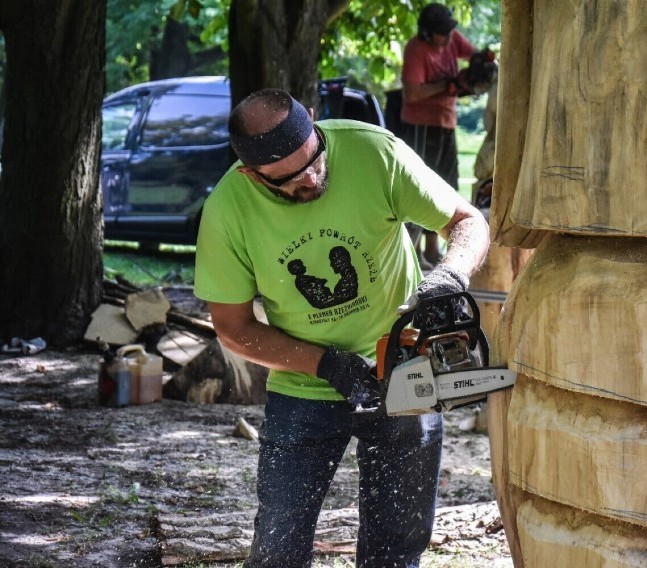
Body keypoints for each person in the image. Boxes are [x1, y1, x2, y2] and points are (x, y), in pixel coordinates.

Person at [193, 89, 490, 567]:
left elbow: (466, 221)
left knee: (397, 546)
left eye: (314, 160)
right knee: (278, 546)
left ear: (313, 122)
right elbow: (233, 327)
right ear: (251, 174)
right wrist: (325, 364)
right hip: (304, 384)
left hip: (405, 369)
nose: (310, 179)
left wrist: (450, 275)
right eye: (288, 179)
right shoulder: (228, 210)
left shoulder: (375, 152)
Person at [400, 2, 477, 270]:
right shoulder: (416, 49)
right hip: (421, 126)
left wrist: (478, 67)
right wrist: (449, 84)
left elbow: (474, 55)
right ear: (426, 33)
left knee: (443, 186)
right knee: (419, 186)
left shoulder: (452, 38)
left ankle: (432, 251)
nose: (446, 39)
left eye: (448, 32)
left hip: (446, 122)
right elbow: (413, 93)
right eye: (440, 34)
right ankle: (412, 250)